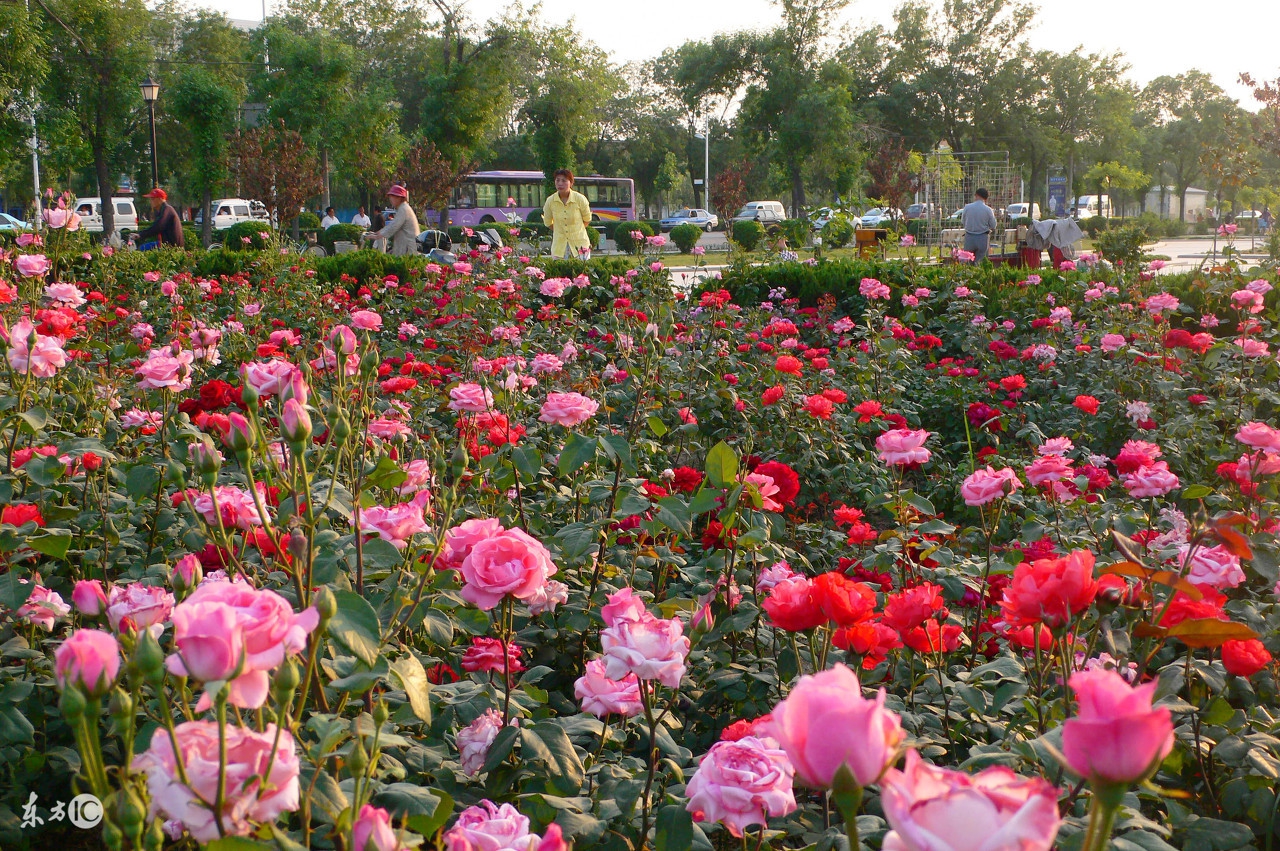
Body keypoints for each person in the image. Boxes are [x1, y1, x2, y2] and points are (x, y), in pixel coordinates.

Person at [542, 168, 592, 260]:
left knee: (581, 273)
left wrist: (576, 230)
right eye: (557, 180)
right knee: (559, 273)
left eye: (564, 181)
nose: (560, 183)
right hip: (559, 247)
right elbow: (548, 222)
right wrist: (560, 230)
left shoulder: (580, 199)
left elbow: (587, 219)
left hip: (580, 245)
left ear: (571, 183)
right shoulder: (550, 201)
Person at [363, 185, 419, 255]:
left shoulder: (403, 209)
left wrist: (377, 236)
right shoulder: (402, 208)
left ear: (399, 198)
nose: (390, 199)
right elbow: (391, 226)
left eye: (392, 197)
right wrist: (376, 233)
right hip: (404, 245)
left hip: (408, 248)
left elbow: (393, 226)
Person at [960, 187, 997, 264]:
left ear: (976, 195)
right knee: (980, 262)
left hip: (969, 237)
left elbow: (963, 221)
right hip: (983, 238)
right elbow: (993, 225)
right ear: (986, 198)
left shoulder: (967, 207)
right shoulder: (988, 210)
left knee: (967, 261)